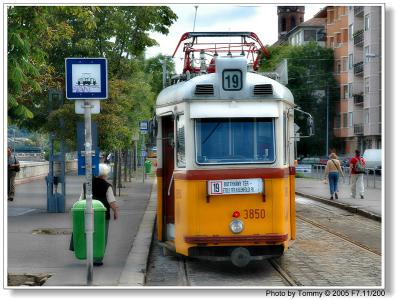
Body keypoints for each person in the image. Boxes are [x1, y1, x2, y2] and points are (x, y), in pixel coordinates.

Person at [70, 163, 119, 266]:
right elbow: (112, 202)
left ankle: (87, 254)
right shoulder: (107, 186)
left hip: (87, 214)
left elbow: (80, 200)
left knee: (87, 234)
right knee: (101, 236)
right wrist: (115, 212)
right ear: (105, 174)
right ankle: (98, 258)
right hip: (102, 216)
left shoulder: (86, 185)